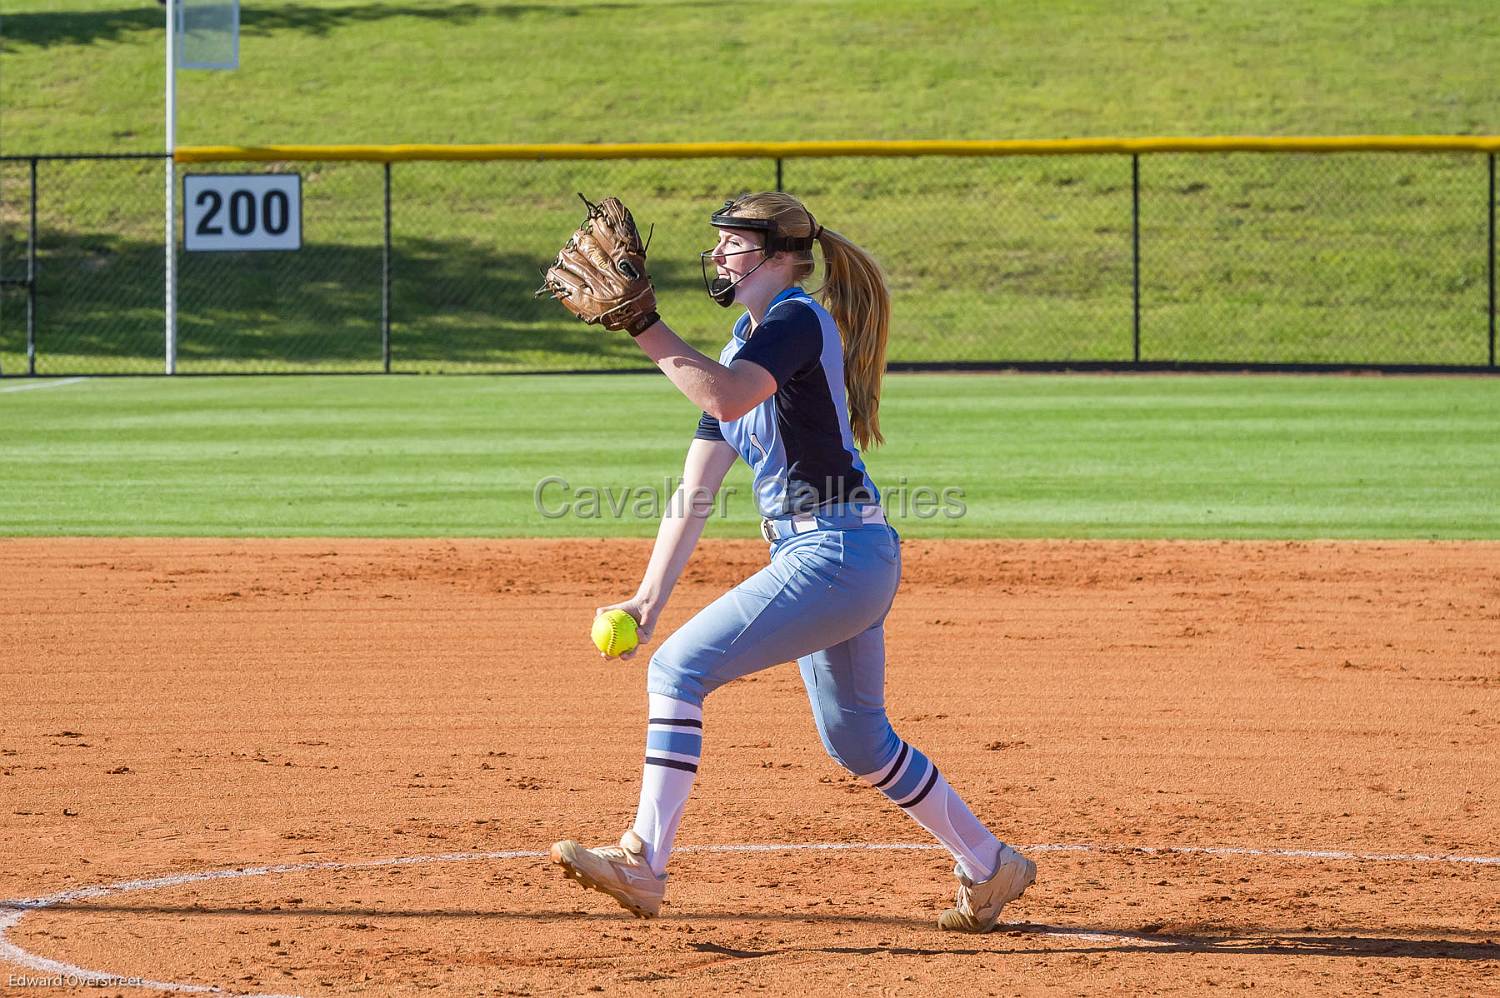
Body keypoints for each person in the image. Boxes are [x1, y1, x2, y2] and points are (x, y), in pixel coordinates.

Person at [548, 192, 1034, 932]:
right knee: (859, 740)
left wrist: (644, 325)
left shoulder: (797, 319)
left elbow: (729, 393)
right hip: (842, 555)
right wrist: (646, 602)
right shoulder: (748, 343)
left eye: (732, 244)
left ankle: (645, 861)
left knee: (678, 673)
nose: (717, 255)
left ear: (778, 256)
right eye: (716, 243)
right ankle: (988, 861)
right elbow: (694, 492)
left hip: (834, 550)